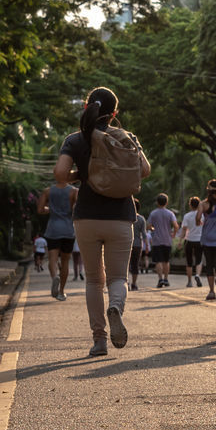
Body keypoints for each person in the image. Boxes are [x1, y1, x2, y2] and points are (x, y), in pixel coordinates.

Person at [54, 85, 150, 357]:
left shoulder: (75, 139)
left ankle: (99, 340)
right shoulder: (127, 137)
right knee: (118, 277)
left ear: (87, 108)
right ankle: (116, 307)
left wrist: (79, 176)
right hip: (121, 217)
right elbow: (145, 170)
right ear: (114, 113)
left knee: (94, 281)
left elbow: (61, 174)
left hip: (87, 217)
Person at [37, 179, 77, 300]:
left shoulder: (48, 191)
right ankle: (61, 292)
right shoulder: (74, 191)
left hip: (53, 228)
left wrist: (50, 210)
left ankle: (54, 276)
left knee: (52, 259)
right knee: (65, 261)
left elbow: (40, 210)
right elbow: (77, 209)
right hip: (68, 229)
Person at [147, 193, 178, 288]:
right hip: (167, 240)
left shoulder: (153, 213)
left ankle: (160, 279)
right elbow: (176, 226)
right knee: (166, 261)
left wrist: (153, 229)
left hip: (157, 240)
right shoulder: (170, 213)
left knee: (158, 261)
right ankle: (166, 279)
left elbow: (148, 226)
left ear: (157, 202)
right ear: (166, 202)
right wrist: (173, 234)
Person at [178, 196, 204, 287]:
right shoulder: (202, 215)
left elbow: (184, 230)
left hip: (189, 240)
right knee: (199, 260)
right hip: (200, 240)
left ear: (190, 205)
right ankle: (197, 275)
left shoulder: (187, 216)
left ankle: (189, 282)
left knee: (189, 262)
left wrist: (180, 241)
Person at [129, 200, 148, 290]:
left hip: (127, 244)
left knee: (126, 265)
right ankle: (134, 284)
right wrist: (147, 245)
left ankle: (126, 283)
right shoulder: (141, 219)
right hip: (137, 245)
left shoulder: (126, 217)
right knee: (135, 264)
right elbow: (144, 234)